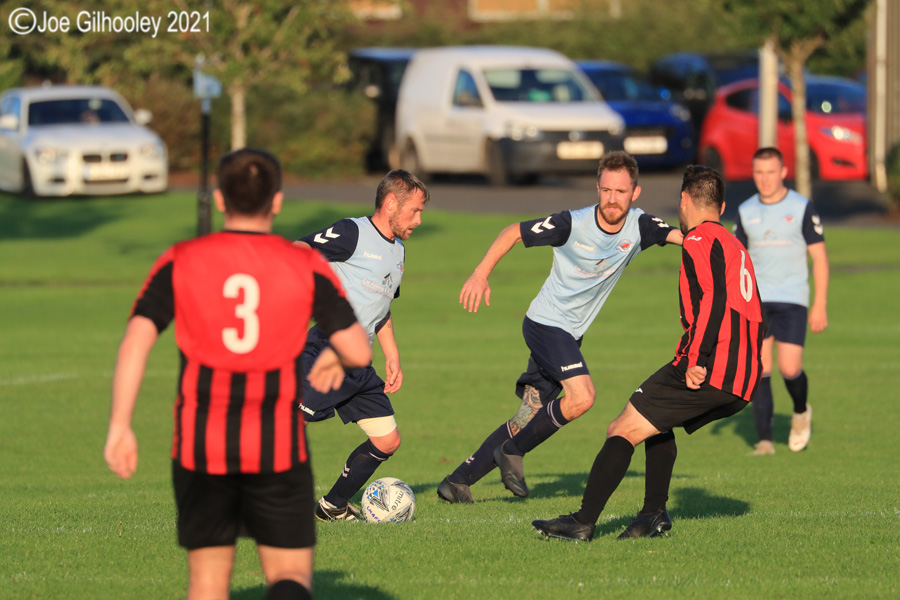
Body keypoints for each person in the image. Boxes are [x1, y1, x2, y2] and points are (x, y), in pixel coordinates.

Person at [104, 148, 372, 600]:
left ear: (221, 200)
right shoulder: (302, 263)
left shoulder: (183, 257)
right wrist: (338, 358)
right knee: (290, 579)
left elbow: (137, 338)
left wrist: (119, 426)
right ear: (279, 201)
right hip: (277, 448)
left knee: (207, 585)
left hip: (201, 446)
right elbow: (356, 346)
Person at [532, 164, 765, 542]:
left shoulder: (699, 240)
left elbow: (714, 301)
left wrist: (697, 361)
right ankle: (652, 514)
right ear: (721, 208)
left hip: (711, 366)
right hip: (743, 374)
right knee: (655, 422)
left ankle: (583, 521)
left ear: (684, 201)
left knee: (622, 427)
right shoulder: (736, 245)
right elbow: (754, 308)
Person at [437, 151, 683, 505]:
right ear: (598, 188)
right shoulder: (572, 223)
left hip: (569, 336)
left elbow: (689, 239)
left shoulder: (641, 227)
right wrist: (480, 273)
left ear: (635, 193)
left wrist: (728, 243)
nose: (613, 199)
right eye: (607, 190)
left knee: (529, 415)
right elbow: (513, 232)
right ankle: (512, 451)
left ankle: (457, 482)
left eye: (622, 192)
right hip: (545, 325)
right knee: (582, 397)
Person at [294, 169, 429, 521]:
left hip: (359, 360)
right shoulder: (353, 232)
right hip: (328, 349)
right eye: (414, 211)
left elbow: (381, 308)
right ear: (390, 204)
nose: (418, 219)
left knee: (387, 440)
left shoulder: (398, 251)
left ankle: (332, 506)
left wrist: (393, 355)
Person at [734, 147, 828, 455]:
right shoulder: (746, 210)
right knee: (759, 368)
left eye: (771, 172)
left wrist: (819, 304)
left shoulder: (801, 207)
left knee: (790, 368)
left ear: (783, 172)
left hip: (792, 299)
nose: (764, 178)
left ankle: (800, 411)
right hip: (757, 301)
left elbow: (820, 258)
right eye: (759, 172)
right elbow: (738, 262)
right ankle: (764, 442)